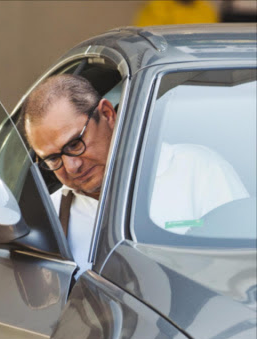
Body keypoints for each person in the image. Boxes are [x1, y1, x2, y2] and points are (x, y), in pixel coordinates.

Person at [22, 74, 248, 276]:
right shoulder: (47, 220)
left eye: (74, 144)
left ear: (108, 114)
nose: (71, 166)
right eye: (53, 158)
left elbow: (244, 268)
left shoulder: (198, 170)